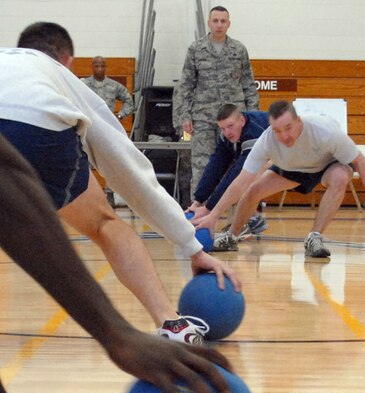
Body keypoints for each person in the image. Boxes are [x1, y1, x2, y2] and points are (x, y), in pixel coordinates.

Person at [0, 133, 234, 393]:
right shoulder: (58, 85)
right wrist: (116, 332)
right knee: (103, 220)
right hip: (35, 132)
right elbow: (131, 171)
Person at [0, 22, 240, 348]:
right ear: (67, 60)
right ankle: (170, 323)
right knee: (104, 223)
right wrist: (191, 245)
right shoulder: (58, 75)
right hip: (33, 124)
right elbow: (125, 167)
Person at [195, 100, 365, 258]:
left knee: (340, 176)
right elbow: (241, 181)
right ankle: (231, 236)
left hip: (327, 165)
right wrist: (212, 216)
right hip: (293, 168)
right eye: (277, 130)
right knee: (253, 189)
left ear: (299, 121)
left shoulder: (325, 130)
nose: (284, 136)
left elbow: (360, 161)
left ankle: (314, 237)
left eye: (288, 128)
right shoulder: (266, 140)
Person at [173, 6, 259, 196]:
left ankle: (235, 221)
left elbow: (249, 85)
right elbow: (185, 85)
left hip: (234, 122)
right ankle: (198, 216)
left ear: (229, 24)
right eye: (215, 21)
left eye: (223, 21)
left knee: (237, 169)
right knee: (201, 168)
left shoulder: (239, 49)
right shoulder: (196, 49)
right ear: (209, 23)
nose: (219, 25)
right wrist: (184, 116)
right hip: (204, 120)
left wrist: (252, 116)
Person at [186, 103, 270, 242]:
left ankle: (249, 220)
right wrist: (198, 201)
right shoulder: (226, 135)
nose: (227, 132)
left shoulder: (254, 132)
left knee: (247, 177)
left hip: (296, 156)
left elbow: (238, 174)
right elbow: (215, 166)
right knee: (244, 176)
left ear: (242, 121)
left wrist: (209, 209)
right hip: (278, 157)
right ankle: (251, 219)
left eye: (231, 126)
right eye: (223, 128)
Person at [81, 55, 134, 206]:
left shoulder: (113, 86)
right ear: (92, 67)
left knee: (109, 163)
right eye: (96, 66)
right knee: (86, 164)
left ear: (106, 67)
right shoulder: (84, 85)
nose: (99, 69)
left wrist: (120, 115)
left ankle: (109, 194)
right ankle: (86, 195)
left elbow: (129, 101)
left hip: (107, 130)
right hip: (89, 130)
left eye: (102, 66)